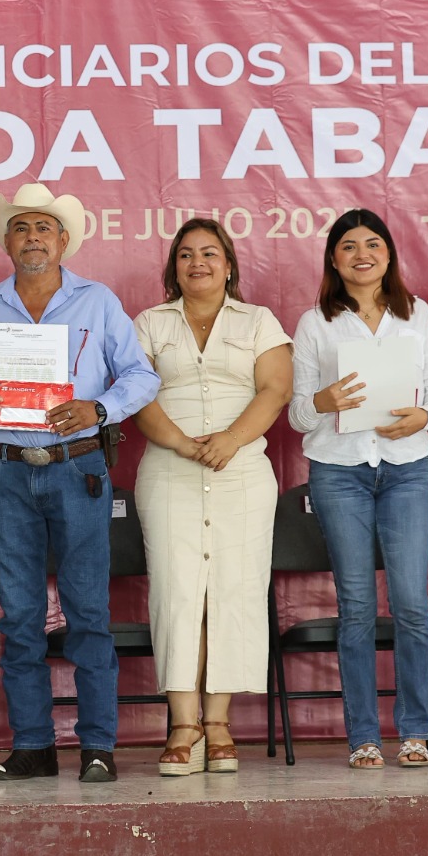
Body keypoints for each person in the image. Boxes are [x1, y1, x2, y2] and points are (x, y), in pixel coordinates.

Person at [0, 183, 160, 784]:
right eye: (21, 228)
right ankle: (34, 746)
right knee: (19, 618)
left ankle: (97, 745)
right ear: (6, 241)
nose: (33, 237)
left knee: (88, 612)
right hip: (5, 470)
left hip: (78, 467)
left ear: (63, 240)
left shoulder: (98, 302)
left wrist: (100, 409)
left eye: (44, 227)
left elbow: (142, 377)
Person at [134, 218, 293, 776]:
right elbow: (135, 391)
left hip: (242, 470)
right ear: (172, 267)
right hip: (169, 471)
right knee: (177, 591)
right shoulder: (150, 323)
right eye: (185, 255)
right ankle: (183, 724)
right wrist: (182, 442)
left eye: (209, 253)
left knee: (234, 589)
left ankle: (219, 723)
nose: (196, 263)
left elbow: (277, 388)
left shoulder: (258, 321)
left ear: (229, 264)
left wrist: (229, 439)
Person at [289, 209, 428, 770]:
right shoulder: (315, 323)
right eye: (349, 245)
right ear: (333, 257)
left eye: (373, 244)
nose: (362, 254)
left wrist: (421, 416)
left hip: (406, 466)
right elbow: (298, 415)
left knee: (410, 605)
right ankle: (363, 736)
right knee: (355, 607)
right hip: (340, 473)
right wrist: (322, 403)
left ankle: (414, 732)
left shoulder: (416, 313)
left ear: (389, 254)